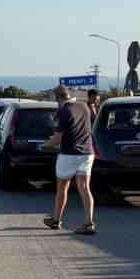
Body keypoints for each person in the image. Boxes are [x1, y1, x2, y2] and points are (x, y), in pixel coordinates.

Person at [43, 85, 96, 235]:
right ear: (69, 94)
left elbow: (58, 138)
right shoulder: (84, 106)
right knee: (85, 189)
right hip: (87, 153)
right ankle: (89, 223)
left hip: (68, 154)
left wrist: (45, 145)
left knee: (62, 188)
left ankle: (56, 220)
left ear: (57, 98)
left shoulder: (63, 111)